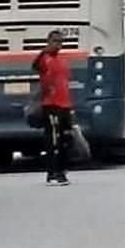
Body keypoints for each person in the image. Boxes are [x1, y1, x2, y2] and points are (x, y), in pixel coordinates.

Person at [33, 30, 73, 186]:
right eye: (55, 41)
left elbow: (65, 81)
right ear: (48, 42)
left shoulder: (63, 60)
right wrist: (43, 52)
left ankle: (62, 169)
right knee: (53, 140)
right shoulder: (44, 59)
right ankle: (52, 172)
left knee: (66, 139)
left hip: (65, 104)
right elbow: (35, 66)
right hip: (51, 105)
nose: (58, 44)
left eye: (60, 41)